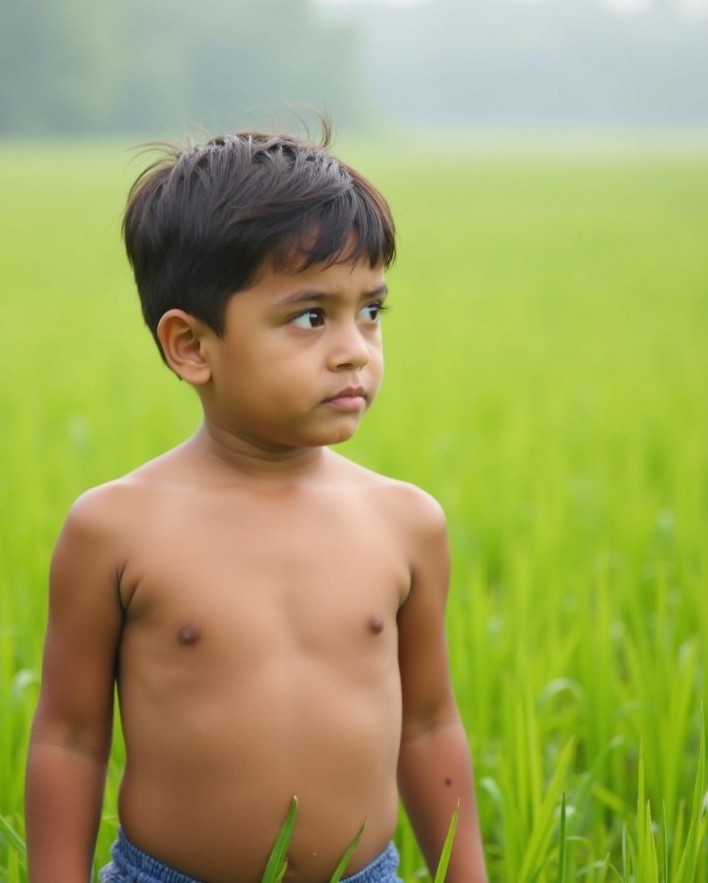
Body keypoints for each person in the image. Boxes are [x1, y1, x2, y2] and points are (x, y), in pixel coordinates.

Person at [25, 125, 488, 883]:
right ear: (191, 346)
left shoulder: (406, 523)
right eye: (310, 317)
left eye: (370, 312)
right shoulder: (116, 530)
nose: (354, 350)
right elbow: (70, 740)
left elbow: (430, 726)